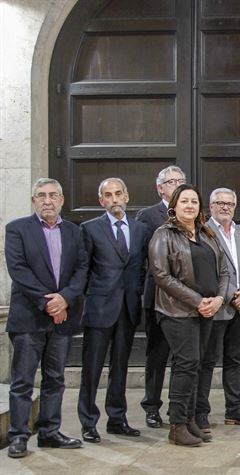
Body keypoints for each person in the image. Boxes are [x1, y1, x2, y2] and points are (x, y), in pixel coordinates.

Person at [5, 178, 87, 458]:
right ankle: (18, 435)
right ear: (33, 201)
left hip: (62, 318)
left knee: (55, 378)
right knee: (23, 382)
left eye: (53, 195)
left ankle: (50, 432)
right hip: (29, 318)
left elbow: (82, 270)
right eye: (41, 195)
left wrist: (65, 298)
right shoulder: (17, 229)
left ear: (62, 200)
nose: (47, 200)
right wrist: (48, 302)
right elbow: (18, 270)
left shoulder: (75, 232)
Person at [148, 184, 229, 446]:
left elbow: (225, 270)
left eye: (194, 201)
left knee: (198, 364)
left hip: (207, 310)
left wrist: (218, 299)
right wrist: (197, 300)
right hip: (177, 311)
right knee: (186, 363)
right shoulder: (164, 234)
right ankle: (177, 425)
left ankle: (191, 419)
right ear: (174, 206)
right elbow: (161, 275)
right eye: (184, 201)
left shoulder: (207, 234)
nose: (190, 206)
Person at [78, 178, 148, 444]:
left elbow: (141, 267)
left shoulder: (140, 229)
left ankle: (117, 419)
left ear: (127, 196)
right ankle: (88, 421)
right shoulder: (90, 229)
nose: (114, 199)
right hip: (99, 308)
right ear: (101, 201)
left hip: (128, 307)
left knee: (120, 366)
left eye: (118, 194)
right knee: (92, 368)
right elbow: (83, 269)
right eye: (108, 195)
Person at [196, 188, 240, 430]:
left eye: (229, 203)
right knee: (207, 361)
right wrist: (229, 294)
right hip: (217, 306)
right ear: (210, 206)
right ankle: (201, 411)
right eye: (220, 203)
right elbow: (206, 270)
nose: (225, 207)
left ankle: (234, 409)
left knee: (235, 361)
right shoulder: (203, 232)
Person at [137, 165, 186, 428]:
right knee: (157, 355)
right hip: (157, 296)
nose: (176, 184)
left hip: (186, 300)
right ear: (160, 188)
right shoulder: (147, 216)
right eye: (171, 181)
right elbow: (141, 257)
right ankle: (151, 407)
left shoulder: (191, 213)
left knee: (183, 357)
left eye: (180, 180)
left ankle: (178, 408)